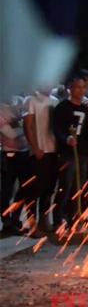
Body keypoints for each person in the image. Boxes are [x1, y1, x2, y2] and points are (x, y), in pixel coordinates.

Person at [52, 74, 88, 226]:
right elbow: (56, 129)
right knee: (66, 185)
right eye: (77, 87)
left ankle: (74, 217)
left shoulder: (85, 108)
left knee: (79, 187)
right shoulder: (62, 107)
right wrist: (66, 139)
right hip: (67, 154)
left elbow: (87, 134)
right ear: (70, 88)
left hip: (81, 154)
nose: (80, 90)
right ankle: (58, 218)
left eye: (83, 87)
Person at [24, 88, 59, 232]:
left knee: (49, 188)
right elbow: (28, 125)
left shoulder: (55, 101)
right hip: (38, 152)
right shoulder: (30, 99)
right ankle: (31, 223)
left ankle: (44, 220)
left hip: (53, 151)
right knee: (34, 189)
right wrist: (35, 147)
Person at [0, 98, 32, 235]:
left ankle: (15, 219)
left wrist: (23, 126)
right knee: (7, 190)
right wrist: (25, 127)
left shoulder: (19, 101)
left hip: (24, 153)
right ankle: (6, 222)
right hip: (8, 154)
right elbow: (10, 133)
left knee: (24, 188)